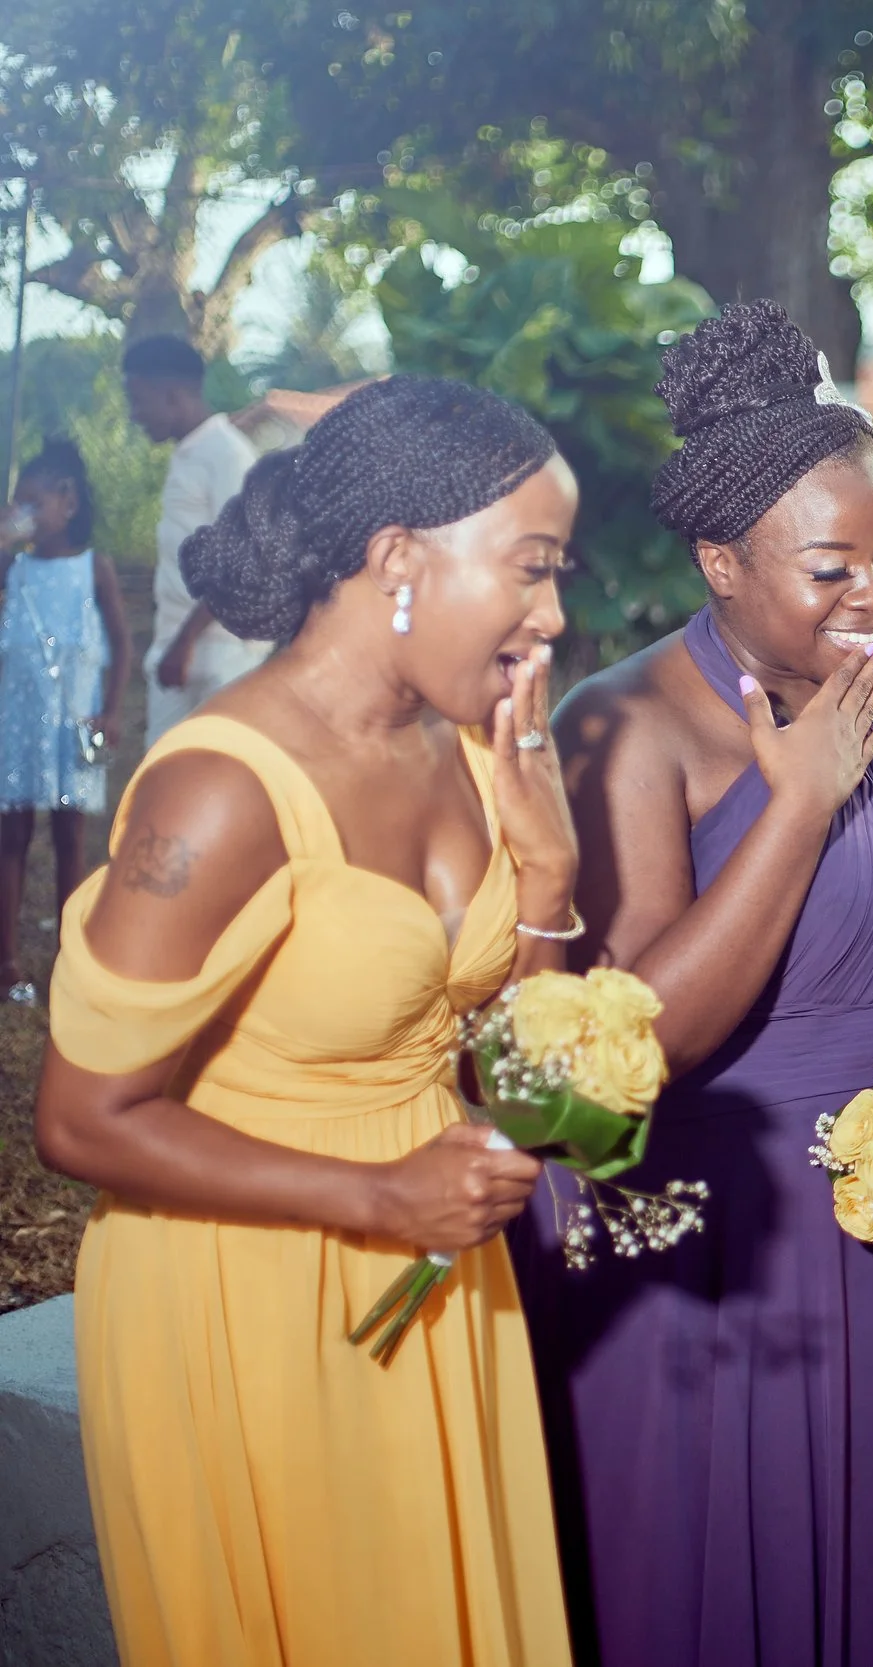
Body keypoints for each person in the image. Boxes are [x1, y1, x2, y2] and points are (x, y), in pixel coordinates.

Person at [509, 299, 873, 1667]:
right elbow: (635, 1042)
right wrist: (798, 803)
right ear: (721, 560)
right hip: (728, 1266)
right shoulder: (625, 726)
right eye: (832, 568)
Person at [33, 377, 582, 1665]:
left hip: (442, 1267)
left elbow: (526, 1092)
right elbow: (78, 1118)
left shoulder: (472, 745)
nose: (554, 615)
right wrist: (379, 1197)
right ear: (397, 556)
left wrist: (548, 886)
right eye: (531, 569)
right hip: (251, 1286)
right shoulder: (219, 789)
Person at [1, 439, 130, 1003]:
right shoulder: (15, 566)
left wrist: (113, 708)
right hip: (19, 725)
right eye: (15, 504)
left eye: (32, 503)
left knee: (71, 837)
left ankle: (70, 958)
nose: (21, 514)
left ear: (67, 503)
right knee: (11, 837)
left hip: (74, 723)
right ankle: (6, 962)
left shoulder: (93, 568)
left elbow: (122, 645)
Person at [122, 334, 268, 743]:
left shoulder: (228, 455)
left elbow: (241, 560)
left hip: (221, 653)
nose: (135, 415)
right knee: (161, 772)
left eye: (138, 400)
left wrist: (185, 643)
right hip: (178, 649)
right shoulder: (187, 454)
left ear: (171, 394)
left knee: (220, 770)